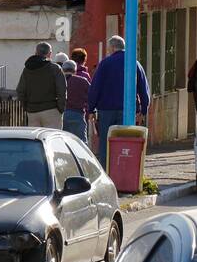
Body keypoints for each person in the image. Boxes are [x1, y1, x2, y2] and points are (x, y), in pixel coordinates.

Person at [87, 35, 151, 169]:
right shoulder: (134, 63)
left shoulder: (105, 63)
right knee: (126, 143)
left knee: (106, 143)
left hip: (106, 110)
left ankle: (106, 172)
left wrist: (91, 109)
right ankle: (124, 170)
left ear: (112, 47)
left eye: (109, 48)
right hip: (128, 111)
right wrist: (143, 110)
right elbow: (143, 89)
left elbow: (95, 87)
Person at [15, 41, 66, 129]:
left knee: (35, 141)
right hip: (51, 110)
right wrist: (60, 109)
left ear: (36, 52)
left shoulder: (27, 69)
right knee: (53, 139)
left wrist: (26, 108)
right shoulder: (55, 68)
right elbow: (62, 90)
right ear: (50, 54)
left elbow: (20, 90)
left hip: (32, 111)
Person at [61, 59, 90, 141]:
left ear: (63, 70)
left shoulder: (59, 81)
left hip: (62, 114)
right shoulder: (83, 81)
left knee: (63, 141)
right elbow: (91, 96)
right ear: (75, 70)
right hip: (78, 114)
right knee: (81, 142)